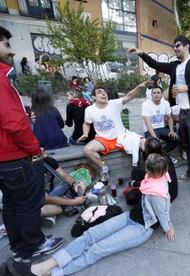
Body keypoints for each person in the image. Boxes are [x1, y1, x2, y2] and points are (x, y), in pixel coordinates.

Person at [22, 144, 178, 276]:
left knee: (98, 249)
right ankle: (47, 264)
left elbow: (163, 211)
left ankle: (55, 272)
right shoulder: (153, 178)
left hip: (141, 228)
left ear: (151, 171)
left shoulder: (157, 191)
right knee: (90, 235)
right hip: (130, 216)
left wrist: (168, 227)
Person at [0, 26, 64, 271]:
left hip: (4, 158)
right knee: (27, 203)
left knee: (13, 204)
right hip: (16, 157)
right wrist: (35, 149)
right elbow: (13, 123)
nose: (11, 50)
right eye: (6, 45)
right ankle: (35, 245)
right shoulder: (1, 79)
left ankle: (20, 248)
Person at [128, 35, 190, 201]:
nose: (175, 48)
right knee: (186, 145)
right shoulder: (176, 66)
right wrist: (141, 54)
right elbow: (156, 64)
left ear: (187, 46)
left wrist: (186, 88)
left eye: (178, 45)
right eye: (174, 46)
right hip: (182, 112)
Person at [78, 82, 147, 181]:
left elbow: (129, 96)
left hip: (121, 136)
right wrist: (85, 133)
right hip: (103, 139)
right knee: (87, 149)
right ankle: (104, 167)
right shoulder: (89, 109)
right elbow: (87, 123)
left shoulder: (114, 103)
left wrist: (138, 87)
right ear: (93, 97)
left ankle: (149, 167)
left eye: (104, 92)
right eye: (99, 92)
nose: (103, 94)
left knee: (145, 142)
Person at [142, 85, 179, 152]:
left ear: (161, 94)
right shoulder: (145, 104)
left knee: (176, 139)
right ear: (151, 94)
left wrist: (171, 130)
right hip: (150, 130)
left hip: (161, 128)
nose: (156, 95)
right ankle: (161, 156)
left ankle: (163, 154)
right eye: (154, 93)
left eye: (158, 93)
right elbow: (147, 123)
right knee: (153, 143)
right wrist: (155, 137)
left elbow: (169, 118)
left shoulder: (165, 103)